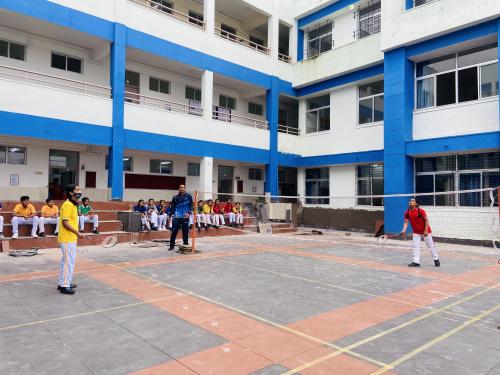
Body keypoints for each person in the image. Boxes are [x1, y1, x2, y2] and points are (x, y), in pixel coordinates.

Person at [58, 184, 85, 295]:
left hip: (70, 237)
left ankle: (62, 283)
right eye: (77, 189)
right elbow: (65, 222)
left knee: (66, 262)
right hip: (67, 238)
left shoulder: (73, 204)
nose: (80, 191)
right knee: (69, 263)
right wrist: (78, 233)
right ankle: (65, 286)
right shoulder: (68, 205)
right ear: (70, 192)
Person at [401, 198, 440, 268]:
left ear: (416, 204)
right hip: (416, 232)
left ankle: (436, 259)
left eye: (412, 201)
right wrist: (404, 230)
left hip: (425, 231)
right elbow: (406, 222)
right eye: (410, 201)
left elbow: (426, 221)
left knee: (430, 245)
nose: (410, 202)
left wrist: (425, 230)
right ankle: (416, 262)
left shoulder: (421, 211)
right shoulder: (407, 212)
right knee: (416, 246)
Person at [169, 184, 193, 251]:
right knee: (174, 231)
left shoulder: (188, 196)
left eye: (184, 187)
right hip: (177, 216)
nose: (183, 188)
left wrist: (189, 213)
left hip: (185, 216)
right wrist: (170, 215)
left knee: (185, 231)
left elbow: (191, 205)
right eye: (181, 187)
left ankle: (185, 243)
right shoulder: (175, 197)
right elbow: (173, 207)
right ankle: (171, 246)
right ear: (179, 189)